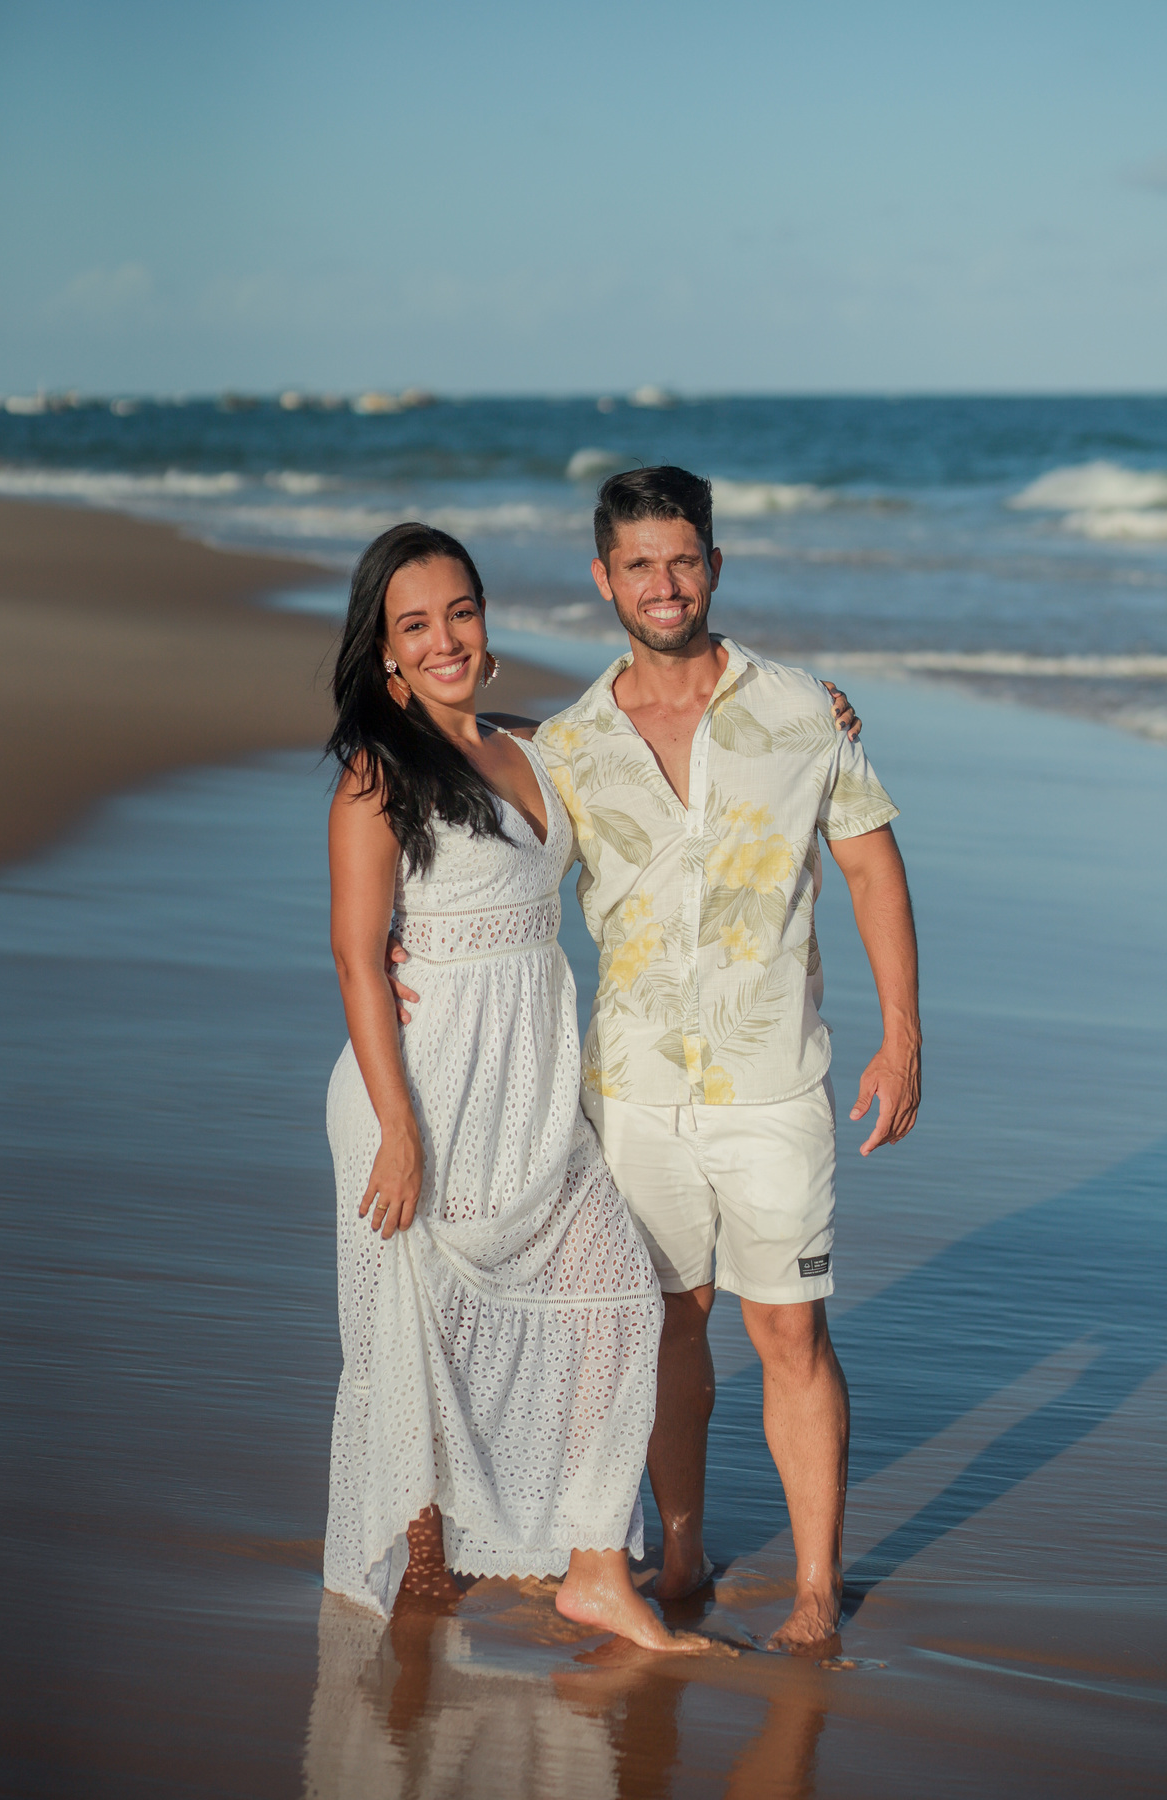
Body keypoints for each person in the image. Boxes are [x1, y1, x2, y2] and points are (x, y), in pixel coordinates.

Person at [391, 467, 920, 1648]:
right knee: (666, 1323)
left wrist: (904, 1034)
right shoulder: (571, 743)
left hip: (777, 1081)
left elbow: (871, 864)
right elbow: (476, 833)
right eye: (639, 564)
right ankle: (678, 1554)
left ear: (716, 566)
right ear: (603, 579)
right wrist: (389, 951)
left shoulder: (798, 710)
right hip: (630, 1092)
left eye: (684, 560)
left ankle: (818, 1591)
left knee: (791, 1330)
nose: (664, 584)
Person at [321, 519, 707, 1653]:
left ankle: (594, 1563)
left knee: (616, 1295)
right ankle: (422, 1546)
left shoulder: (544, 746)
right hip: (422, 1086)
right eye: (415, 624)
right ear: (385, 653)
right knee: (411, 1321)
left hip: (533, 1083)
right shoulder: (375, 772)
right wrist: (396, 1126)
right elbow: (355, 955)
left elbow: (674, 729)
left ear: (487, 623)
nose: (445, 639)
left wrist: (820, 712)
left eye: (461, 612)